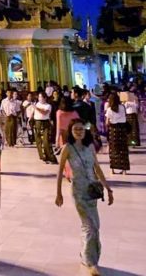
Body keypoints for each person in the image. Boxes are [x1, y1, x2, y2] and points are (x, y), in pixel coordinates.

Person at [56, 120, 113, 276]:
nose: (79, 131)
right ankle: (91, 263)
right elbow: (60, 170)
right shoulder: (68, 148)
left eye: (81, 129)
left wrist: (107, 188)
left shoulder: (90, 147)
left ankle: (86, 254)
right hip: (79, 191)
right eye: (76, 129)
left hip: (92, 190)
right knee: (90, 226)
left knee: (95, 225)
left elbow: (97, 168)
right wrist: (58, 193)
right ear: (71, 131)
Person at [105, 93, 130, 174]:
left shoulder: (109, 109)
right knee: (123, 149)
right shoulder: (122, 107)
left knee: (113, 149)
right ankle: (124, 170)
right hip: (122, 130)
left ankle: (113, 169)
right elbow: (125, 117)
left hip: (113, 131)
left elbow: (107, 123)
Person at [56, 96, 80, 180]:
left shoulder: (59, 112)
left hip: (63, 136)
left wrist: (56, 141)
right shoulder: (74, 112)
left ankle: (68, 174)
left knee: (65, 157)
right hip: (73, 135)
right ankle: (72, 173)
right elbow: (79, 123)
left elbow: (58, 128)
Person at [34, 92, 58, 164]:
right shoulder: (37, 104)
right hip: (37, 122)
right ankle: (44, 157)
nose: (39, 98)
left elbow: (44, 113)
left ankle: (51, 157)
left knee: (46, 141)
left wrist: (36, 108)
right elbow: (34, 112)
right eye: (39, 97)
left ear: (45, 98)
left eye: (41, 97)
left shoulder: (48, 106)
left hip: (45, 123)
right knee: (39, 141)